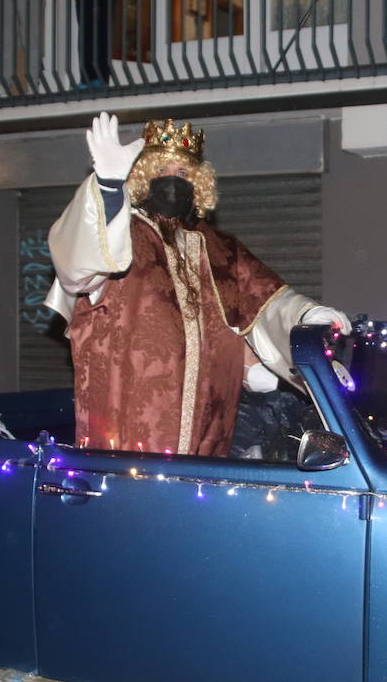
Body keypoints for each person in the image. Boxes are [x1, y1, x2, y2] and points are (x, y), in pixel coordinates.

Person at [45, 112, 348, 457]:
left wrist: (307, 316)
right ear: (142, 178)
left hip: (210, 434)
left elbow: (268, 300)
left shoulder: (220, 250)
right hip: (129, 433)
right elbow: (77, 265)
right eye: (161, 171)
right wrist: (108, 187)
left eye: (183, 173)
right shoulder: (122, 236)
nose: (172, 182)